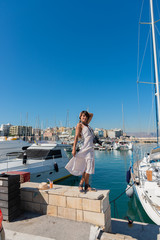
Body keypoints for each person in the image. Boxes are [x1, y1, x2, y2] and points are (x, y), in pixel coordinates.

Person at [65, 110, 95, 192]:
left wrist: (84, 114)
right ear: (80, 117)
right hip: (85, 149)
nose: (84, 117)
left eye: (85, 116)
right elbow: (76, 137)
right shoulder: (80, 125)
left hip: (91, 149)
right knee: (87, 168)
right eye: (83, 116)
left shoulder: (87, 125)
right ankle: (81, 184)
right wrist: (74, 148)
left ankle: (87, 185)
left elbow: (91, 115)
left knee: (88, 168)